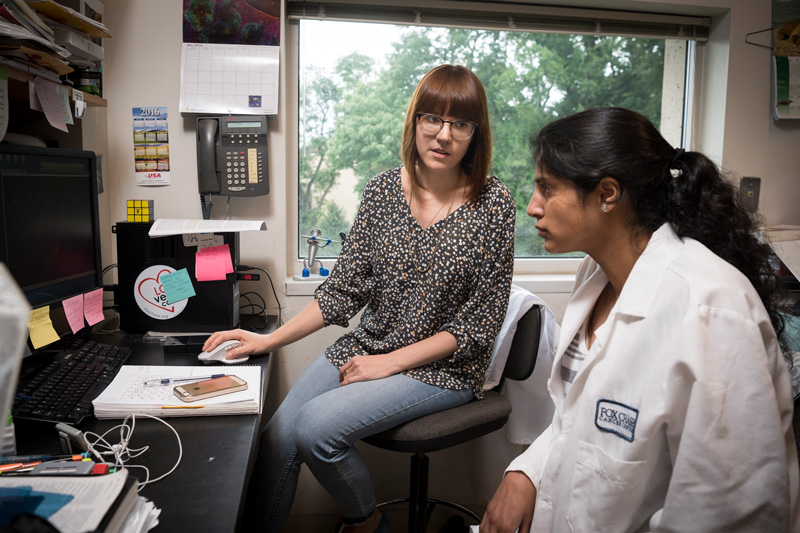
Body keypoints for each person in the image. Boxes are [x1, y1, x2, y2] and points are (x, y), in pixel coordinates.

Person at [203, 64, 516, 533]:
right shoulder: (383, 190)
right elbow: (344, 290)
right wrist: (265, 341)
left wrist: (389, 363)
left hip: (443, 368)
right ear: (414, 121)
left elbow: (479, 325)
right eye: (432, 118)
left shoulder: (495, 204)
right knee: (277, 439)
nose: (443, 134)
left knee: (316, 430)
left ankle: (367, 524)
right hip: (369, 345)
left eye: (460, 124)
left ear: (476, 133)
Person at [480, 107, 800, 532]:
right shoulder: (595, 275)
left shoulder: (711, 311)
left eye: (547, 188)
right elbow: (572, 417)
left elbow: (727, 513)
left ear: (607, 194)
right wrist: (527, 472)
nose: (532, 207)